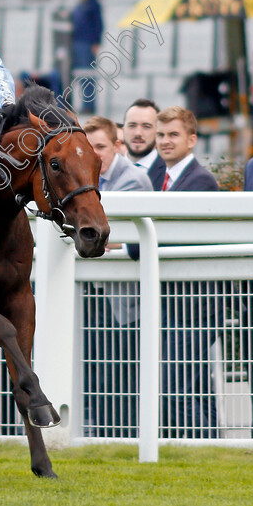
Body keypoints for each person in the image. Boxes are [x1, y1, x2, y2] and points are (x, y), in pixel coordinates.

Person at [82, 116, 152, 438]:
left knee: (119, 376)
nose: (93, 154)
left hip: (124, 301)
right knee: (97, 374)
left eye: (100, 147)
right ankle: (102, 437)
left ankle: (122, 437)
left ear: (117, 146)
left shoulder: (132, 180)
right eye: (88, 147)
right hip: (95, 295)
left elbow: (102, 235)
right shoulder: (84, 176)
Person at [154, 106, 220, 439]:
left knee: (176, 385)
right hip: (172, 302)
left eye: (173, 135)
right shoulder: (156, 178)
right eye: (161, 135)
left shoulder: (201, 181)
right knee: (194, 386)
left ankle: (198, 447)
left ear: (192, 140)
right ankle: (212, 447)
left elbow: (170, 237)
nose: (165, 142)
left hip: (197, 305)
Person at [70, 0, 103, 114]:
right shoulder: (80, 5)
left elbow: (98, 24)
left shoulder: (93, 5)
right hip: (76, 43)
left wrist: (96, 41)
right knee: (80, 75)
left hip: (87, 43)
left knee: (87, 75)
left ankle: (89, 104)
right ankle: (81, 103)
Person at [122, 98, 166, 185]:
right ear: (123, 130)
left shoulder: (171, 173)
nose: (138, 133)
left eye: (146, 126)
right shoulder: (106, 172)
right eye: (132, 125)